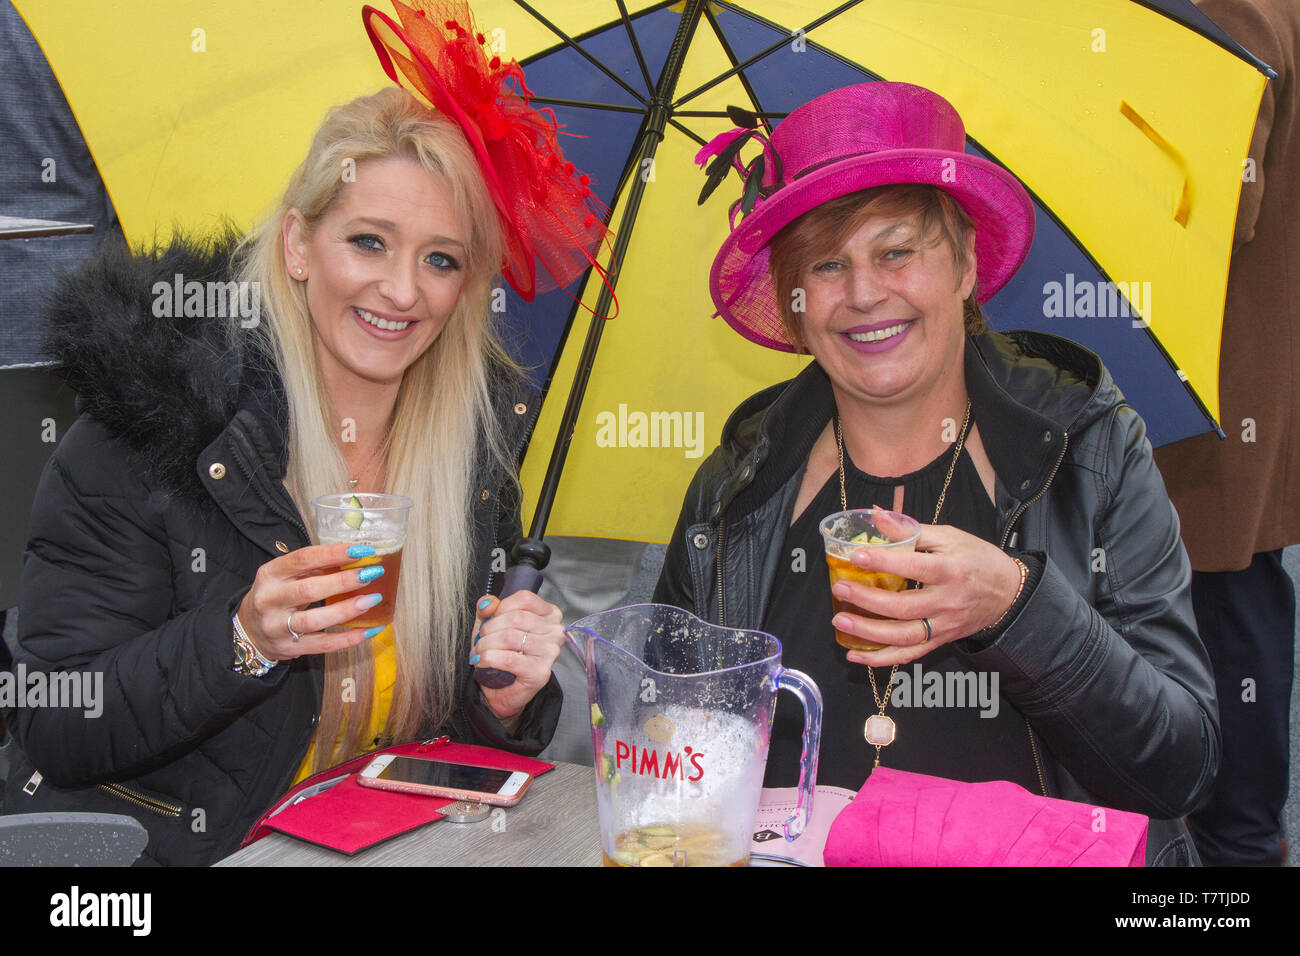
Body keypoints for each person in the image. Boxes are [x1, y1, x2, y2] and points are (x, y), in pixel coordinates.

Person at [1, 3, 609, 866]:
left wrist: (501, 703)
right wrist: (241, 639)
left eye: (441, 259)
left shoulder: (467, 456)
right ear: (297, 244)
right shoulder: (152, 429)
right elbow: (58, 723)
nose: (403, 291)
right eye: (368, 241)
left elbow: (437, 740)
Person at [655, 82, 1220, 865]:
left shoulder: (1088, 452)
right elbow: (671, 755)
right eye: (825, 264)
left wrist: (1018, 608)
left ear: (965, 265)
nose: (862, 293)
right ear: (794, 304)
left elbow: (1181, 768)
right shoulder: (737, 487)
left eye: (896, 251)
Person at [1153, 0, 1298, 866]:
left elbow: (1218, 202)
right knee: (1228, 596)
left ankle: (1241, 845)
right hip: (1208, 370)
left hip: (1212, 375)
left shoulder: (1228, 5)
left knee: (1226, 601)